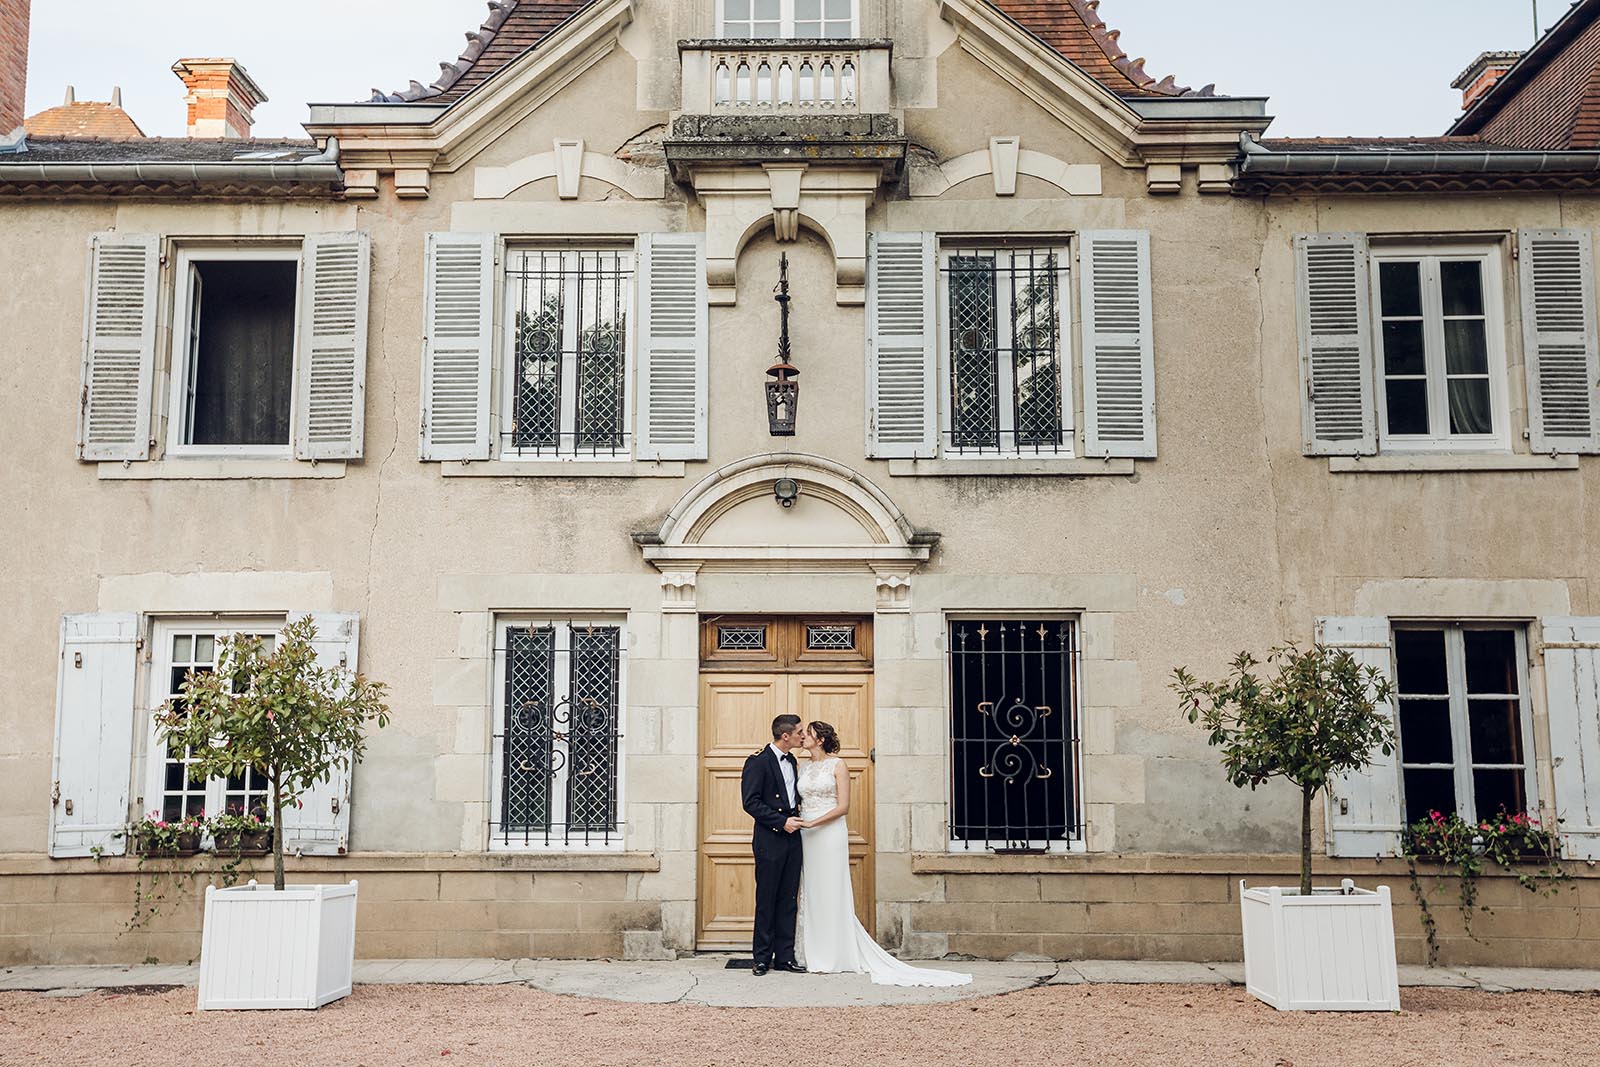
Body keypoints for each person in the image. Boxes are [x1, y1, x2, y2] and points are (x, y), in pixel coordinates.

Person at [795, 720, 972, 988]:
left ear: (820, 739)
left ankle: (836, 953)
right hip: (806, 835)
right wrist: (801, 822)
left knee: (831, 888)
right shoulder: (803, 767)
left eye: (808, 733)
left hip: (828, 833)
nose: (803, 737)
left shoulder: (837, 765)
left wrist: (812, 823)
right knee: (811, 889)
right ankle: (811, 952)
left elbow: (843, 806)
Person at [740, 713, 805, 976]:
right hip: (770, 837)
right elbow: (750, 802)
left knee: (789, 899)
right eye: (800, 732)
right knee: (767, 899)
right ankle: (762, 958)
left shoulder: (792, 760)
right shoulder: (758, 761)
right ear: (785, 735)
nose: (803, 735)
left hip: (793, 838)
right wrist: (781, 821)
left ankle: (785, 957)